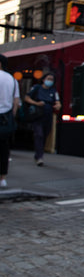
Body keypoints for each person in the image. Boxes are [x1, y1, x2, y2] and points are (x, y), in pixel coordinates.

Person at [24, 70, 61, 166]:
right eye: (48, 79)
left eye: (52, 79)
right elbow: (27, 98)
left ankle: (38, 154)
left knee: (45, 134)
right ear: (44, 79)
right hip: (38, 115)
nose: (50, 81)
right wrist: (36, 103)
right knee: (39, 134)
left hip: (48, 116)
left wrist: (58, 105)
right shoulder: (37, 88)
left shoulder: (53, 91)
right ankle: (40, 157)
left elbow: (57, 101)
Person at [0, 54, 20, 188]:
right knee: (4, 150)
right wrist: (12, 116)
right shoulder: (12, 80)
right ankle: (2, 178)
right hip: (5, 119)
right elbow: (16, 101)